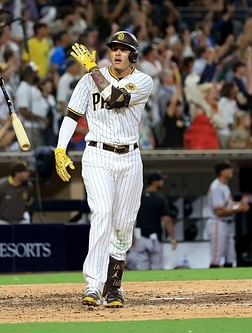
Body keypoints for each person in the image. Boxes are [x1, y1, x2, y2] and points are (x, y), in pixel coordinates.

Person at [54, 31, 153, 308]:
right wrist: (60, 149)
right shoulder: (88, 80)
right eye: (114, 48)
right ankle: (93, 285)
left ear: (133, 54)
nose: (117, 53)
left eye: (123, 49)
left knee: (123, 225)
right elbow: (72, 116)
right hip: (97, 153)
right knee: (102, 213)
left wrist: (91, 68)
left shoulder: (142, 81)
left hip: (130, 158)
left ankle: (114, 287)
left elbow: (115, 98)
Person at [127, 172, 177, 270]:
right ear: (155, 182)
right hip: (155, 237)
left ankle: (143, 285)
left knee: (142, 267)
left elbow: (130, 218)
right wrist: (173, 237)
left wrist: (130, 236)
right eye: (161, 180)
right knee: (157, 266)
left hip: (140, 237)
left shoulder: (138, 198)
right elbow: (167, 220)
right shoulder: (159, 199)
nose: (162, 183)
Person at [206, 161, 249, 268]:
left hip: (228, 223)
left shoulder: (224, 186)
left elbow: (228, 205)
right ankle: (210, 283)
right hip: (217, 223)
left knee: (230, 255)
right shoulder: (216, 187)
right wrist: (238, 209)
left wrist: (240, 205)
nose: (231, 171)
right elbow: (219, 211)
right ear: (222, 172)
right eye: (229, 169)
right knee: (217, 256)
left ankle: (228, 283)